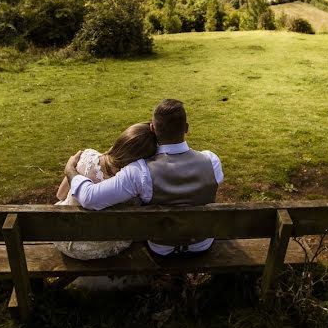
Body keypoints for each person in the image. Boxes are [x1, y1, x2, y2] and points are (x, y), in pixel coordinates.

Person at [65, 99, 223, 257]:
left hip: (160, 249)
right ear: (186, 128)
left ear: (153, 129)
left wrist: (71, 171)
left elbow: (90, 197)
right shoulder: (211, 161)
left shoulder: (139, 171)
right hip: (202, 244)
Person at [54, 122, 156, 260]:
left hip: (64, 238)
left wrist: (70, 169)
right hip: (102, 247)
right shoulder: (133, 183)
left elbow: (60, 195)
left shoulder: (86, 156)